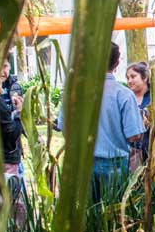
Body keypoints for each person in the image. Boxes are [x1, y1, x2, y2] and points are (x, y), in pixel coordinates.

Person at [57, 42, 145, 203]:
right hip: (116, 166)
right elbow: (134, 136)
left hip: (82, 165)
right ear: (117, 63)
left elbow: (64, 129)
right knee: (114, 219)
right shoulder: (124, 95)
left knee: (87, 217)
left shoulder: (73, 93)